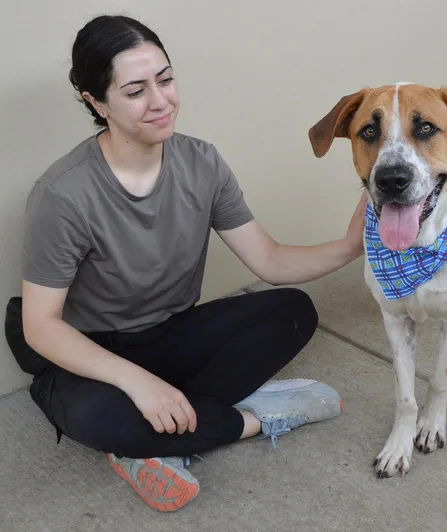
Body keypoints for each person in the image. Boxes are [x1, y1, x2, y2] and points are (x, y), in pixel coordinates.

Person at [3, 14, 367, 512]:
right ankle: (249, 419)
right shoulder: (62, 195)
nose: (161, 101)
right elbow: (41, 327)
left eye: (166, 79)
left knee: (294, 311)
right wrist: (137, 382)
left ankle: (162, 434)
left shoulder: (203, 163)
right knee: (101, 419)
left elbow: (270, 259)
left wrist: (350, 246)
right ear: (96, 101)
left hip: (170, 331)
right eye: (135, 91)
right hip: (88, 354)